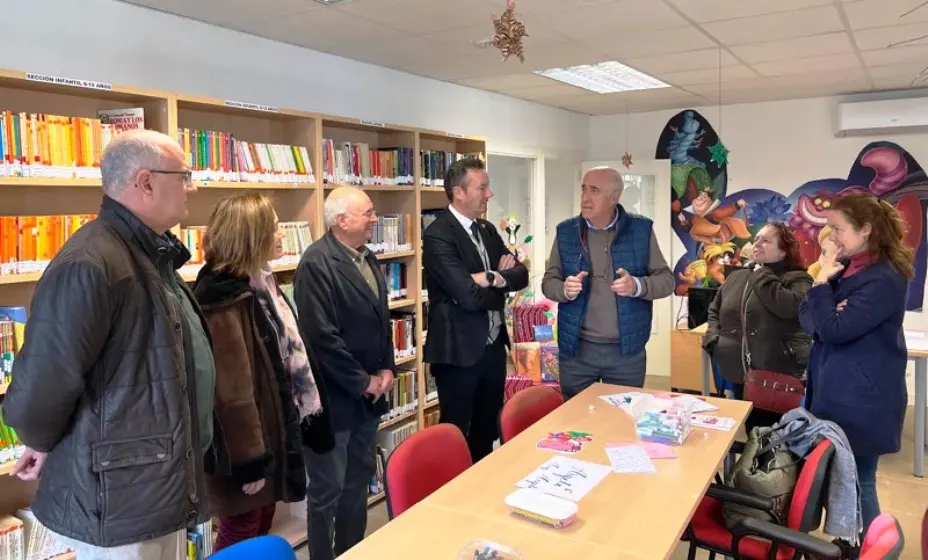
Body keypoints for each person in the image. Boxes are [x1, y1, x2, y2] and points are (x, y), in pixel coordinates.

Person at [2, 129, 214, 559]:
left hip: (151, 481)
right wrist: (41, 439)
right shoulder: (92, 262)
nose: (191, 186)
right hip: (120, 496)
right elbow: (44, 377)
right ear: (145, 181)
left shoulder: (147, 254)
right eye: (183, 175)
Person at [192, 193, 334, 551]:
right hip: (244, 448)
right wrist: (250, 461)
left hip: (271, 433)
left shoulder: (261, 282)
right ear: (252, 236)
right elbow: (231, 393)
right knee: (241, 531)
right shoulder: (222, 298)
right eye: (274, 230)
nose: (283, 236)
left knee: (260, 524)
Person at [799, 193, 913, 536]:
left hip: (863, 399)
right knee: (842, 477)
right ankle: (852, 544)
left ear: (865, 230)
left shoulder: (884, 278)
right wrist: (825, 296)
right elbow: (807, 319)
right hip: (835, 392)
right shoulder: (845, 270)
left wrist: (821, 288)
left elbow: (833, 330)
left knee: (861, 479)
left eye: (837, 228)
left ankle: (872, 550)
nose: (831, 237)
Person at [294, 186, 395, 560]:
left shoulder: (366, 257)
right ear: (341, 220)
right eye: (367, 213)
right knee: (328, 490)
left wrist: (386, 368)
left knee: (357, 484)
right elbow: (322, 340)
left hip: (369, 400)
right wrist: (363, 381)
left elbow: (381, 321)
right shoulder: (316, 264)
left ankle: (352, 551)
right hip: (335, 402)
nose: (374, 219)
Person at [422, 158, 529, 462]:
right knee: (455, 433)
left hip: (493, 349)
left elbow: (520, 274)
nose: (489, 194)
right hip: (458, 351)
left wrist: (490, 277)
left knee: (486, 429)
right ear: (458, 192)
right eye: (482, 187)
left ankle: (480, 489)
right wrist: (499, 284)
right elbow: (466, 297)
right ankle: (454, 497)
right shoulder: (438, 234)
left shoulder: (487, 229)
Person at [541, 166, 674, 398]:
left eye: (594, 191)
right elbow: (548, 282)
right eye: (583, 189)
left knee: (621, 423)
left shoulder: (641, 230)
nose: (585, 198)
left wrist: (638, 286)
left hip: (626, 354)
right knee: (576, 423)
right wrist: (563, 290)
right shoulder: (566, 232)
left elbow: (667, 281)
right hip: (576, 352)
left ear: (614, 197)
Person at [702, 222, 812, 431]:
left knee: (773, 437)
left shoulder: (798, 279)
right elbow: (714, 310)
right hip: (737, 370)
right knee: (748, 431)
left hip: (775, 375)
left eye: (767, 240)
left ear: (783, 251)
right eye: (757, 239)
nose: (757, 244)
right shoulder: (737, 276)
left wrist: (762, 273)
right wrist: (714, 339)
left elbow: (790, 308)